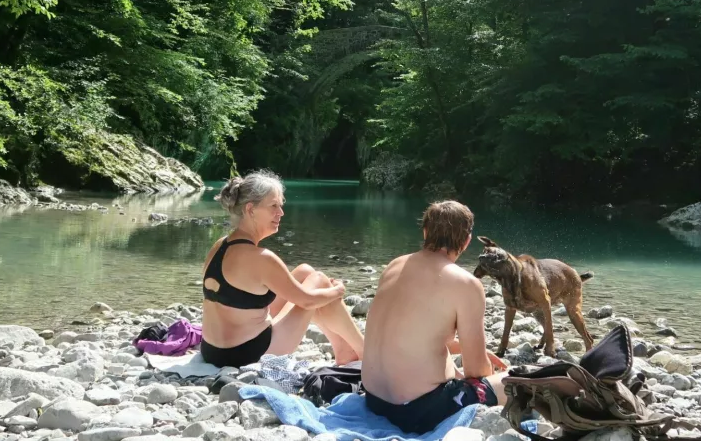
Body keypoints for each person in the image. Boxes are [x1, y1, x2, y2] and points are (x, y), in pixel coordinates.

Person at [361, 200, 509, 434]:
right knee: (513, 381)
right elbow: (476, 371)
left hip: (374, 401)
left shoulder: (394, 265)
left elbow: (413, 332)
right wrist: (488, 378)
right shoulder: (466, 283)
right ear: (467, 241)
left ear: (425, 231)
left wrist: (460, 347)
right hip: (416, 413)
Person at [200, 169, 364, 368]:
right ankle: (363, 350)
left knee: (304, 271)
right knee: (319, 280)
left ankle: (343, 350)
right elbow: (307, 300)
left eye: (281, 205)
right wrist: (338, 290)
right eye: (273, 206)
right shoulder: (261, 259)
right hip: (245, 354)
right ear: (250, 210)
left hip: (211, 350)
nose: (281, 213)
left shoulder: (219, 245)